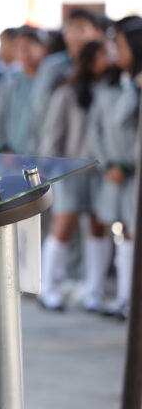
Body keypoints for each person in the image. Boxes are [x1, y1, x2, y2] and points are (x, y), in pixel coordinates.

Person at [38, 40, 110, 311]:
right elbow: (52, 131)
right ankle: (47, 288)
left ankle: (94, 290)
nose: (109, 59)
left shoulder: (108, 88)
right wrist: (49, 163)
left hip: (99, 170)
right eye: (104, 54)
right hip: (69, 168)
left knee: (96, 225)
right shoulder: (67, 92)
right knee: (63, 224)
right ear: (90, 60)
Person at [88, 16, 142, 319]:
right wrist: (110, 163)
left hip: (135, 173)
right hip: (117, 173)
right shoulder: (117, 82)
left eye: (120, 46)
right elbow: (99, 128)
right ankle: (124, 299)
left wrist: (129, 164)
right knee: (124, 232)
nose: (114, 52)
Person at [0, 26, 49, 155]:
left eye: (29, 46)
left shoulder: (50, 81)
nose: (23, 51)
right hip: (9, 157)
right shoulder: (10, 80)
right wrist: (1, 147)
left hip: (39, 160)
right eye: (19, 47)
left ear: (44, 49)